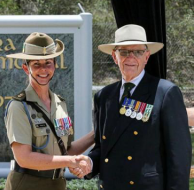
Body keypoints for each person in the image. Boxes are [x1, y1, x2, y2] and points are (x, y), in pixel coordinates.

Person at [80, 24, 191, 190]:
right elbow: (104, 148)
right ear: (114, 56)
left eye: (138, 52)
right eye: (124, 52)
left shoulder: (165, 92)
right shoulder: (103, 96)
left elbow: (179, 156)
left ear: (146, 57)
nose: (130, 57)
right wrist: (89, 163)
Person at [4, 32, 93, 190]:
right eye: (36, 64)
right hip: (27, 184)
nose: (43, 69)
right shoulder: (18, 106)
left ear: (55, 65)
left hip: (57, 184)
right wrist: (70, 162)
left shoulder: (60, 104)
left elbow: (66, 151)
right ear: (26, 68)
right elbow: (24, 158)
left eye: (48, 63)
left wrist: (97, 135)